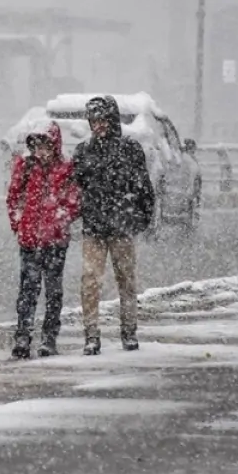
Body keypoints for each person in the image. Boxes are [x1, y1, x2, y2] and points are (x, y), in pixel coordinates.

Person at [71, 95, 156, 355]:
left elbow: (143, 187)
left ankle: (129, 331)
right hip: (95, 227)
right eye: (94, 120)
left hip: (121, 227)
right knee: (90, 281)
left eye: (103, 120)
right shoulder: (83, 151)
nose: (98, 125)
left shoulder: (130, 149)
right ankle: (92, 335)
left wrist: (141, 219)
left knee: (126, 281)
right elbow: (76, 188)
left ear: (112, 120)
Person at [6, 119, 80, 359]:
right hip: (29, 241)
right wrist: (19, 223)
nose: (41, 152)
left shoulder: (66, 169)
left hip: (55, 242)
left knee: (53, 291)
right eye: (37, 146)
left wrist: (60, 220)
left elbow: (74, 201)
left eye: (46, 146)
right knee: (27, 291)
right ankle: (23, 335)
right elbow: (14, 198)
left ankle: (49, 337)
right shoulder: (26, 167)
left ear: (55, 145)